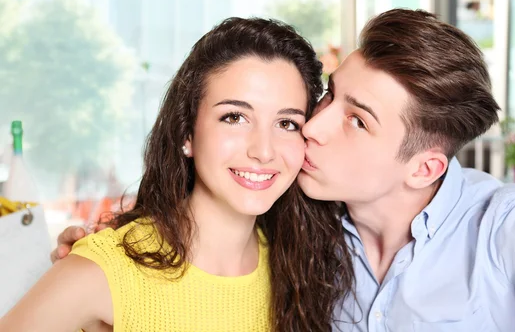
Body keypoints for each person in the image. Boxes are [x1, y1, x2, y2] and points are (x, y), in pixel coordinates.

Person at [46, 9, 515, 331]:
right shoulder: (296, 218)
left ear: (424, 166)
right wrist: (109, 250)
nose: (311, 126)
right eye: (329, 95)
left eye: (356, 121)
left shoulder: (506, 229)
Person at [0, 17, 353, 332]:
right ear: (188, 135)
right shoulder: (106, 269)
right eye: (234, 117)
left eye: (287, 123)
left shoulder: (303, 270)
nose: (263, 150)